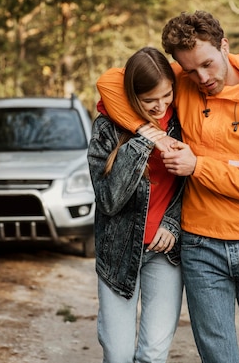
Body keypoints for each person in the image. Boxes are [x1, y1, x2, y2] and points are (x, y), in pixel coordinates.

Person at [96, 11, 239, 363]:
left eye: (207, 64)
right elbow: (111, 82)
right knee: (217, 358)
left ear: (224, 46)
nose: (202, 78)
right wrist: (147, 131)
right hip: (200, 245)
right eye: (189, 70)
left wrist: (197, 165)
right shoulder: (181, 84)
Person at [87, 46, 185, 363]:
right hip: (118, 250)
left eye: (166, 96)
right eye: (149, 100)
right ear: (132, 96)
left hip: (164, 254)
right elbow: (109, 201)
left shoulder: (183, 122)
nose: (160, 106)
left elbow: (192, 183)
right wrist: (145, 136)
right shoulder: (106, 127)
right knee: (117, 354)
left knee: (154, 353)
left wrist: (172, 223)